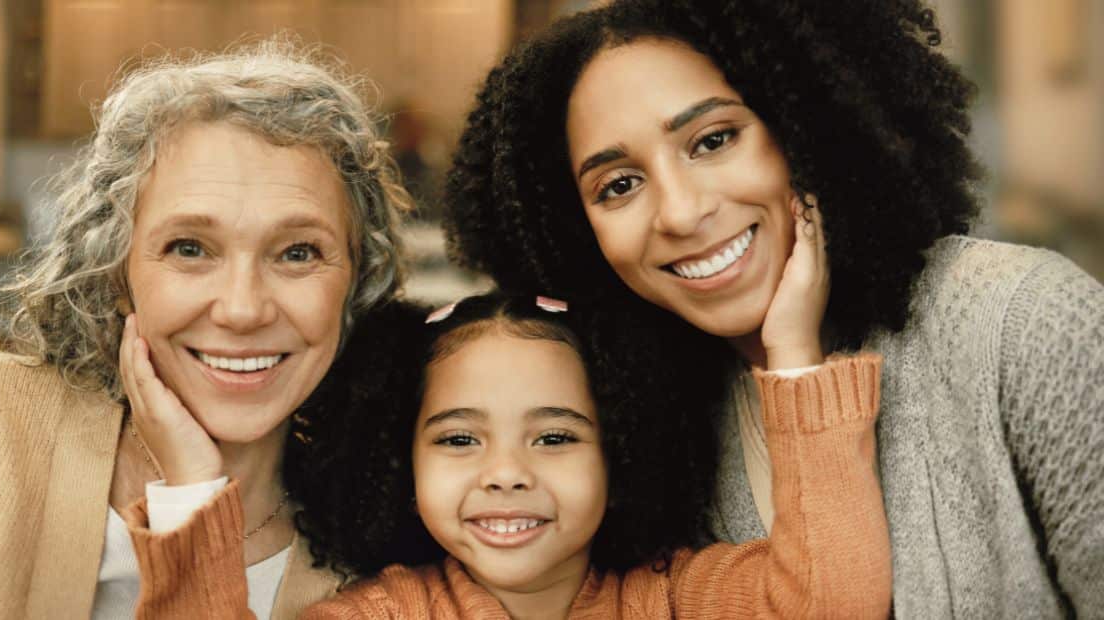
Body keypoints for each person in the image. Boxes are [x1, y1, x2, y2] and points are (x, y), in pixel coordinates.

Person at [441, 1, 1104, 617]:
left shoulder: (1028, 321)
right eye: (618, 185)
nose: (680, 211)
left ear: (802, 127)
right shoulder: (643, 432)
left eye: (713, 140)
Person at [0, 38, 410, 619]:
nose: (243, 310)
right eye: (190, 248)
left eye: (298, 253)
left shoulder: (389, 553)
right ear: (117, 273)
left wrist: (193, 500)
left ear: (355, 282)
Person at [119, 278, 891, 618]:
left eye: (554, 437)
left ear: (619, 456)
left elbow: (835, 601)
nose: (507, 474)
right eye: (459, 439)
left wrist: (790, 353)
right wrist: (191, 478)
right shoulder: (383, 615)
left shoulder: (679, 598)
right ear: (403, 463)